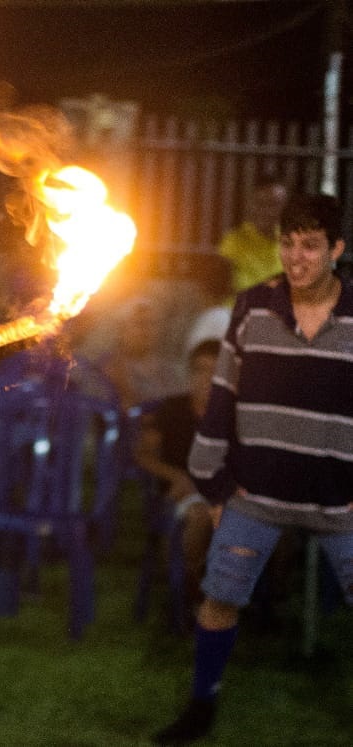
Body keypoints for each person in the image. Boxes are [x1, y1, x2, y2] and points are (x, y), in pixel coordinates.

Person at [153, 194, 353, 745]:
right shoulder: (252, 307)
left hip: (340, 500)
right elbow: (222, 397)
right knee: (220, 597)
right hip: (256, 493)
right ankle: (202, 704)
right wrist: (215, 486)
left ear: (336, 249)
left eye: (311, 246)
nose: (296, 257)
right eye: (288, 244)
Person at [132, 339, 220, 626]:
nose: (205, 378)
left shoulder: (232, 416)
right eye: (200, 370)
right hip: (182, 495)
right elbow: (143, 454)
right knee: (198, 517)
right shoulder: (172, 410)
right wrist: (176, 476)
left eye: (214, 371)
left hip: (222, 493)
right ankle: (190, 595)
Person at [217, 174, 288, 294]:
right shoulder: (233, 241)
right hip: (239, 309)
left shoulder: (294, 243)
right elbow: (221, 285)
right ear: (251, 205)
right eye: (261, 203)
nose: (267, 210)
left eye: (274, 204)